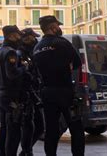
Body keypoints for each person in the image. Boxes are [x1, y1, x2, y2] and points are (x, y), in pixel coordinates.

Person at [32, 16, 84, 156]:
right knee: (76, 128)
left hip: (47, 92)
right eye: (57, 25)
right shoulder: (62, 43)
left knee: (51, 129)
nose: (59, 28)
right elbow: (77, 63)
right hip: (65, 91)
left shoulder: (37, 47)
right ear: (53, 27)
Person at [0, 25, 34, 156]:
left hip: (1, 94)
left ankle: (1, 153)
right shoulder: (11, 53)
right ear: (11, 36)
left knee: (4, 129)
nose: (19, 38)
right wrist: (25, 67)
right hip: (12, 96)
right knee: (13, 131)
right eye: (17, 35)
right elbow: (12, 74)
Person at [19, 28, 44, 148]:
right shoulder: (20, 53)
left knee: (37, 127)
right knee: (30, 127)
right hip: (26, 95)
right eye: (32, 37)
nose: (35, 39)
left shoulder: (31, 52)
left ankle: (26, 150)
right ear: (26, 38)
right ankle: (26, 151)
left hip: (33, 92)